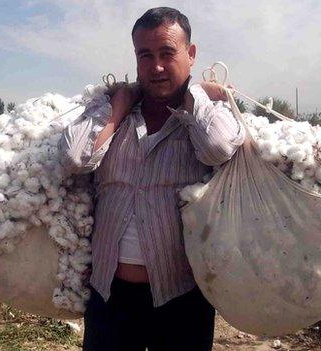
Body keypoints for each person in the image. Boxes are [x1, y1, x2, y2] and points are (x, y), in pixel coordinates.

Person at [60, 7, 245, 351]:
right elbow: (75, 157)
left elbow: (218, 148)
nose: (156, 66)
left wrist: (198, 93)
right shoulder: (113, 110)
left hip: (181, 298)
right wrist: (119, 106)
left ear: (190, 54)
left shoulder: (210, 110)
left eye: (167, 53)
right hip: (109, 297)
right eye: (145, 55)